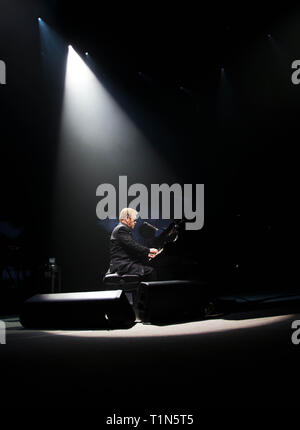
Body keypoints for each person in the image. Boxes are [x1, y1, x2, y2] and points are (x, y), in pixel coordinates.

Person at [108, 208, 158, 280]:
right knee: (151, 271)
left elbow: (129, 250)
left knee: (148, 268)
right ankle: (145, 291)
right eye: (134, 220)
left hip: (124, 263)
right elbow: (132, 245)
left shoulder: (122, 229)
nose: (135, 222)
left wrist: (147, 255)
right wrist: (149, 250)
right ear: (127, 218)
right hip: (122, 265)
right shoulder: (121, 229)